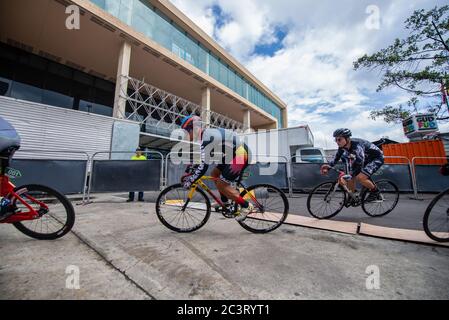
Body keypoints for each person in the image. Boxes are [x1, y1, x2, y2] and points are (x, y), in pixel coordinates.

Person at [179, 115, 253, 221]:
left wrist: (190, 181)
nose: (186, 135)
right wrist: (191, 167)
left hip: (241, 154)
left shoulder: (207, 138)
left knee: (222, 184)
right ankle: (225, 202)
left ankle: (246, 206)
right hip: (231, 155)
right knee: (214, 174)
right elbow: (204, 158)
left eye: (186, 132)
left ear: (194, 129)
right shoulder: (206, 135)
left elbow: (204, 166)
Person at [320, 128, 384, 202]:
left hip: (376, 158)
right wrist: (329, 166)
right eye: (336, 140)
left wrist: (351, 174)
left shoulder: (357, 146)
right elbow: (336, 158)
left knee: (360, 177)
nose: (337, 142)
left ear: (347, 139)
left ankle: (375, 193)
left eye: (339, 139)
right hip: (365, 158)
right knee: (351, 176)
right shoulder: (342, 147)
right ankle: (352, 196)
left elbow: (359, 163)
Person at [0, 116, 21, 220]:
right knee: (2, 175)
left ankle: (3, 206)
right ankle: (5, 202)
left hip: (2, 141)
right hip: (13, 141)